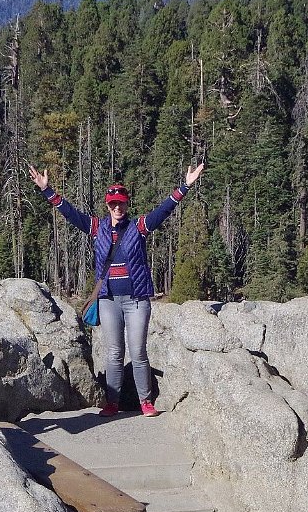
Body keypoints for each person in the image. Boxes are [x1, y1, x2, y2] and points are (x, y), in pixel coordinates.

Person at [29, 162, 205, 417]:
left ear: (126, 204)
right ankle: (112, 402)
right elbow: (70, 214)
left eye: (121, 203)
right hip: (109, 300)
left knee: (138, 352)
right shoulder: (97, 228)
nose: (117, 208)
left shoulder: (140, 227)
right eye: (113, 204)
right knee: (113, 353)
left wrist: (185, 185)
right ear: (107, 205)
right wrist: (48, 191)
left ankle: (146, 402)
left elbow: (165, 210)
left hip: (136, 300)